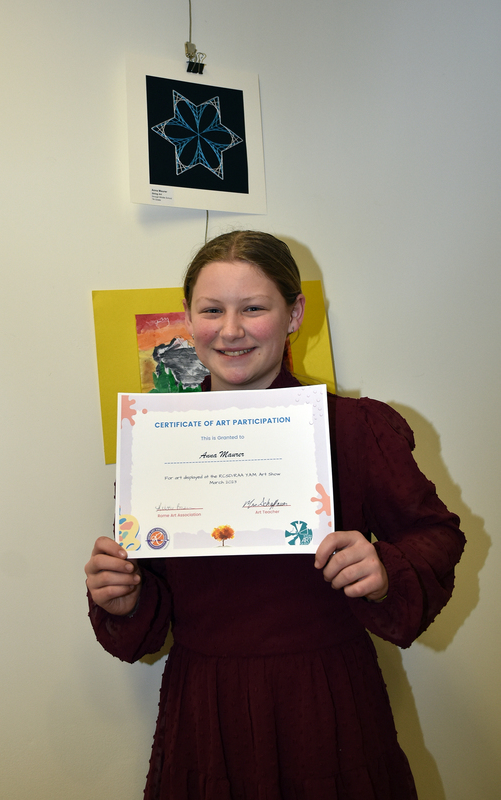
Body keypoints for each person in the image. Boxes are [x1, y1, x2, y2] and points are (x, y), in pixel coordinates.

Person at [85, 231, 465, 800]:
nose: (230, 330)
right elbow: (152, 588)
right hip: (205, 711)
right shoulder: (157, 441)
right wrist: (125, 597)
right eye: (211, 310)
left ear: (295, 314)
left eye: (253, 308)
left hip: (326, 704)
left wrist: (386, 568)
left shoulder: (355, 429)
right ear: (188, 317)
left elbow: (435, 534)